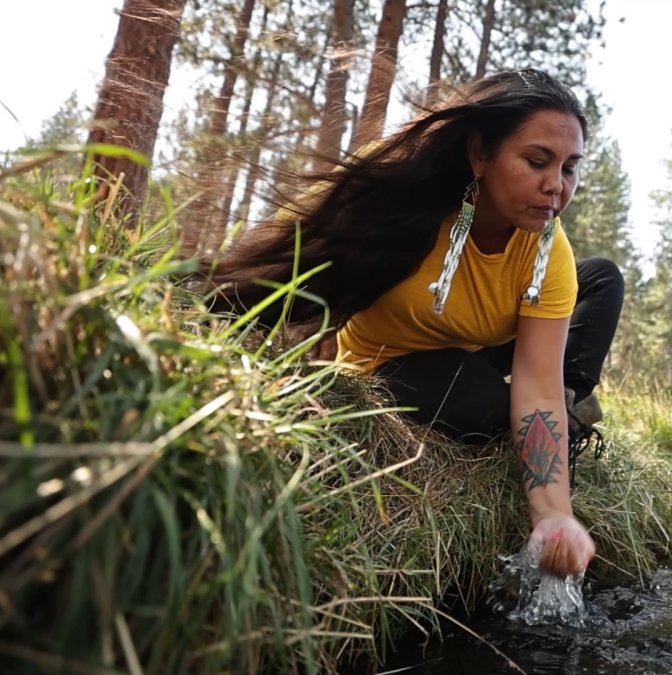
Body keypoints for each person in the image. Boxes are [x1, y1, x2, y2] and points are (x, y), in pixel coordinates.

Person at [201, 69, 624, 579]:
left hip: (472, 345)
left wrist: (555, 514)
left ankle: (573, 414)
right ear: (479, 154)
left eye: (570, 168)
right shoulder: (396, 209)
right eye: (537, 161)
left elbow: (536, 386)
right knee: (482, 400)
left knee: (601, 278)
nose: (556, 185)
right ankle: (504, 404)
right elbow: (271, 285)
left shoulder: (548, 249)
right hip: (389, 366)